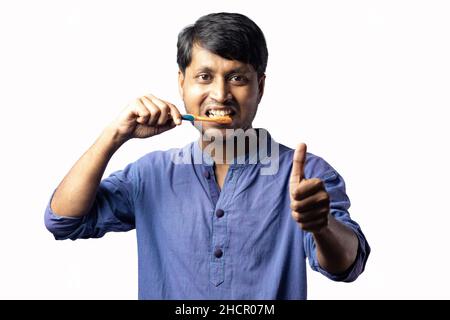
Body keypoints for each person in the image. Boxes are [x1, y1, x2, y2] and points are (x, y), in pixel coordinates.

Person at [45, 12, 370, 299]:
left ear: (260, 86)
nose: (220, 94)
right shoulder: (149, 173)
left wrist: (321, 225)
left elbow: (347, 265)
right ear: (181, 83)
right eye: (204, 77)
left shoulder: (306, 174)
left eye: (237, 78)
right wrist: (114, 135)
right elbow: (63, 221)